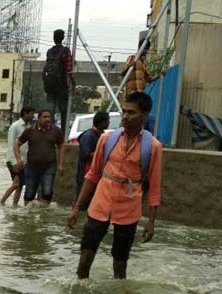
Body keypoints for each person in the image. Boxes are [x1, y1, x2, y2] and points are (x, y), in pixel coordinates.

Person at [68, 91, 162, 280]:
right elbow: (93, 175)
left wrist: (151, 222)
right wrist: (77, 207)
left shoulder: (153, 147)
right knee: (85, 255)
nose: (125, 116)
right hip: (100, 203)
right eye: (124, 111)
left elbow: (154, 188)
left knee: (120, 263)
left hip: (128, 207)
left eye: (132, 113)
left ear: (144, 116)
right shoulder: (107, 139)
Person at [13, 108, 65, 208]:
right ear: (39, 118)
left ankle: (42, 218)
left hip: (49, 166)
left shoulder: (56, 131)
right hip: (32, 167)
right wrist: (18, 159)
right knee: (29, 194)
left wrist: (60, 164)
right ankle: (29, 218)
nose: (48, 119)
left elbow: (61, 146)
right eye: (45, 117)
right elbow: (17, 144)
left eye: (49, 117)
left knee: (47, 192)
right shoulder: (30, 130)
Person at [0, 106, 36, 206]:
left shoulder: (29, 127)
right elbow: (11, 144)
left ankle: (15, 205)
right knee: (16, 184)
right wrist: (15, 162)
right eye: (31, 114)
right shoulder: (15, 126)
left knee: (20, 186)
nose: (33, 116)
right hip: (14, 161)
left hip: (23, 161)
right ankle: (2, 202)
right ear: (25, 113)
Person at [42, 29, 75, 132]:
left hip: (49, 87)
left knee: (49, 111)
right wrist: (73, 84)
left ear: (53, 38)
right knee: (64, 112)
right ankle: (63, 134)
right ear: (63, 38)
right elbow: (69, 70)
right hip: (62, 87)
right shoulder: (66, 51)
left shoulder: (49, 51)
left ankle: (48, 131)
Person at [75, 111, 110, 203]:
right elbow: (85, 154)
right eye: (107, 121)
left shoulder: (101, 135)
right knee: (83, 201)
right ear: (102, 122)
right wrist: (102, 154)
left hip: (97, 173)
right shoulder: (88, 136)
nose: (109, 123)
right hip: (86, 174)